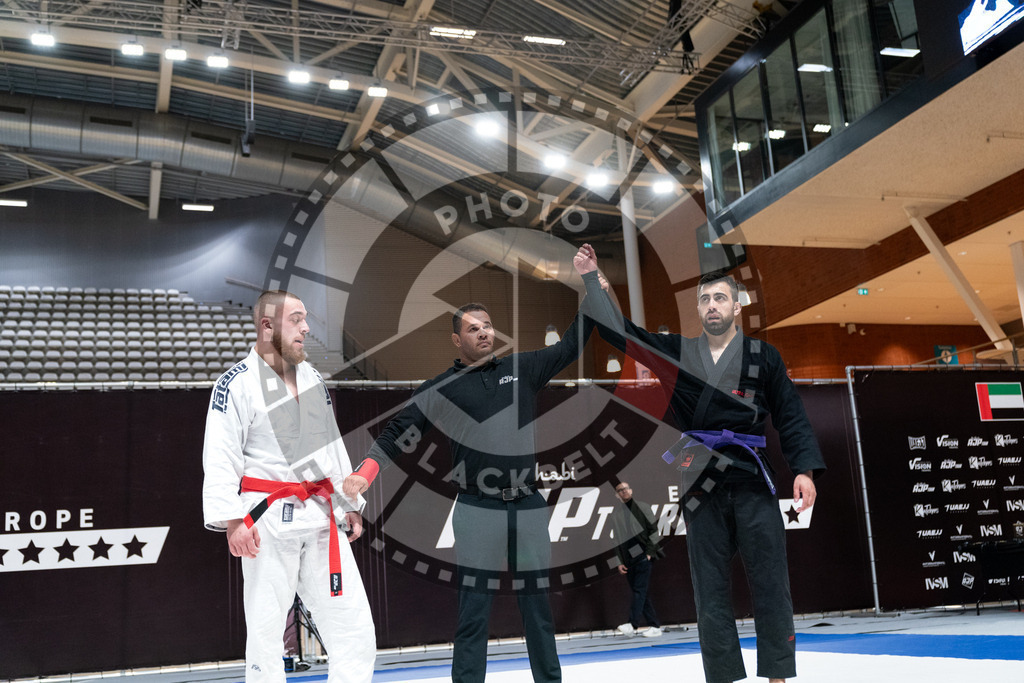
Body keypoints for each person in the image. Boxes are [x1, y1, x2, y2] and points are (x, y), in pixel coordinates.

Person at [342, 250, 600, 683]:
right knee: (473, 612)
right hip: (477, 509)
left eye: (487, 326)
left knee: (537, 608)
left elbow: (574, 342)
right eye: (472, 328)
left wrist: (591, 283)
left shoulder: (524, 368)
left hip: (529, 505)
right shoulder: (441, 388)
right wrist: (364, 474)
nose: (483, 333)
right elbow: (396, 434)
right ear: (456, 340)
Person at [574, 244, 824, 683]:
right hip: (701, 481)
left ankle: (778, 677)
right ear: (698, 309)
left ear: (737, 306)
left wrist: (804, 469)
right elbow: (622, 334)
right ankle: (724, 677)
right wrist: (592, 279)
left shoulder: (764, 357)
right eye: (705, 299)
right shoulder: (678, 353)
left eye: (721, 298)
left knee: (770, 583)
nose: (712, 306)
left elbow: (791, 415)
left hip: (750, 477)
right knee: (709, 589)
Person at [202, 290, 376, 683]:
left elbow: (330, 443)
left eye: (305, 318)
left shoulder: (311, 376)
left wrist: (348, 502)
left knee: (354, 633)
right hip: (266, 522)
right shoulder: (235, 384)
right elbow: (220, 456)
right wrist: (233, 521)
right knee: (265, 639)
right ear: (267, 326)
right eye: (296, 319)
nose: (306, 327)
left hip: (319, 518)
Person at [611, 481, 665, 638]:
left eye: (626, 488)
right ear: (617, 495)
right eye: (620, 490)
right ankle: (654, 626)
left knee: (639, 590)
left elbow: (654, 530)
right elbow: (616, 541)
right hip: (628, 558)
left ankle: (632, 624)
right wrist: (619, 561)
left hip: (643, 554)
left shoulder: (643, 507)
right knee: (641, 591)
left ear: (631, 490)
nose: (624, 492)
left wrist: (649, 553)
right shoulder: (616, 515)